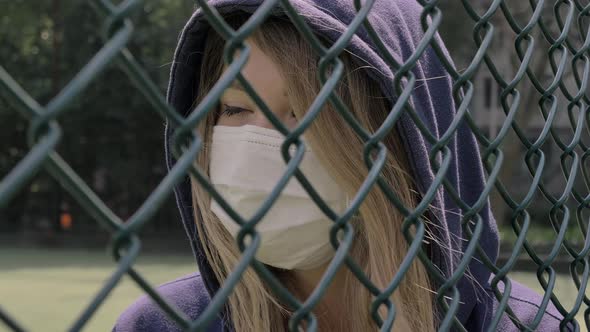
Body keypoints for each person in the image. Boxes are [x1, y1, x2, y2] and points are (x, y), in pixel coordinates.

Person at [114, 1, 576, 331]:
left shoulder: (524, 325)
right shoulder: (163, 323)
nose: (259, 143)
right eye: (233, 111)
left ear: (398, 144)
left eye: (303, 112)